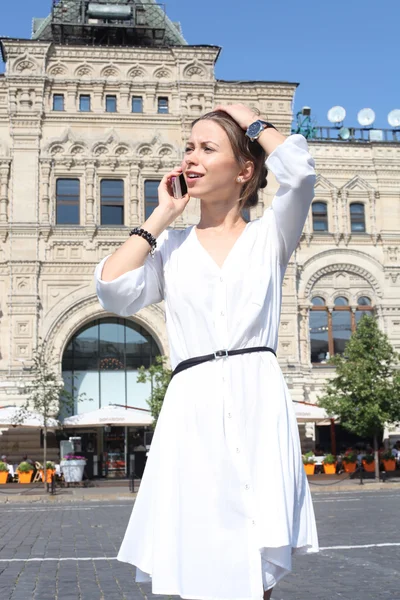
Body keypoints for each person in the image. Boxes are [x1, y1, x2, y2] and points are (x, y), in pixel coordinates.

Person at [95, 104, 319, 600]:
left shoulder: (271, 236)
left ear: (244, 171)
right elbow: (112, 290)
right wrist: (161, 215)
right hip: (192, 405)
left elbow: (301, 175)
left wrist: (251, 121)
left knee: (251, 547)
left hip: (255, 394)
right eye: (189, 148)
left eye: (207, 148)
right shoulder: (171, 248)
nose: (192, 158)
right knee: (201, 547)